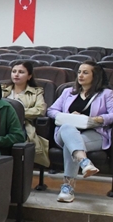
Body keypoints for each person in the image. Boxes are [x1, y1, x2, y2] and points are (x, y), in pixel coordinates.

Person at [47, 61, 113, 203]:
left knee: (71, 146)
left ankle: (67, 187)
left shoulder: (106, 94)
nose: (80, 75)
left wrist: (96, 118)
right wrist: (68, 117)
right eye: (79, 72)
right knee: (68, 128)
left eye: (85, 72)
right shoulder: (68, 92)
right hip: (64, 132)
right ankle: (84, 162)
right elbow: (51, 110)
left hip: (94, 133)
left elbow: (112, 114)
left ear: (95, 76)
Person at [1, 61, 50, 167]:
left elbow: (40, 110)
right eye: (14, 71)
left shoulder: (36, 92)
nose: (16, 74)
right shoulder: (2, 89)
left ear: (29, 76)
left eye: (21, 72)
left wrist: (15, 113)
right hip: (1, 124)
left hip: (23, 125)